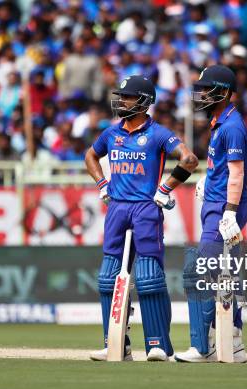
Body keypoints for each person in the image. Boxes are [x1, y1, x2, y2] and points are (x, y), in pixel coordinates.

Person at [84, 75, 198, 362]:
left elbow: (189, 159)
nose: (121, 101)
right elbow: (90, 156)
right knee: (108, 280)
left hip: (146, 209)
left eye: (128, 97)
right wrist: (102, 184)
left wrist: (165, 188)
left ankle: (158, 344)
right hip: (117, 209)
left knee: (148, 278)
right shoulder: (111, 134)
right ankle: (115, 343)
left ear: (144, 101)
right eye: (121, 96)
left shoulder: (159, 133)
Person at [175, 65, 247, 363]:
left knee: (201, 272)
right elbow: (222, 167)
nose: (202, 94)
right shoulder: (221, 121)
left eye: (208, 89)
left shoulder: (231, 126)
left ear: (224, 92)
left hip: (223, 208)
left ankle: (204, 345)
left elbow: (237, 173)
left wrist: (229, 212)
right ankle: (233, 341)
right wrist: (208, 178)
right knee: (225, 273)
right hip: (217, 203)